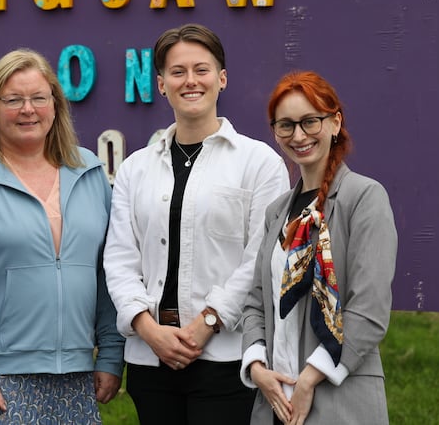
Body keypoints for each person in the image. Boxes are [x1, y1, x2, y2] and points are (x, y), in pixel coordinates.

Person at [103, 23, 290, 424]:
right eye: (178, 71)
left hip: (226, 356)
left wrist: (209, 321)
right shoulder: (136, 168)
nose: (191, 81)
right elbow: (119, 257)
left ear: (221, 79)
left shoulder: (259, 164)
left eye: (202, 70)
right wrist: (147, 328)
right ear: (160, 84)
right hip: (151, 360)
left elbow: (260, 258)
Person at [0, 48, 124, 424]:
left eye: (38, 98)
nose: (28, 109)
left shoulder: (90, 171)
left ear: (55, 106)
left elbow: (107, 271)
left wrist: (112, 353)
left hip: (77, 377)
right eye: (13, 100)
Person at [239, 71, 398, 425]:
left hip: (339, 401)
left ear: (335, 122)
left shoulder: (364, 198)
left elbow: (369, 310)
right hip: (275, 402)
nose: (298, 136)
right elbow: (255, 300)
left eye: (310, 121)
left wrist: (310, 378)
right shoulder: (277, 211)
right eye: (286, 126)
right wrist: (256, 365)